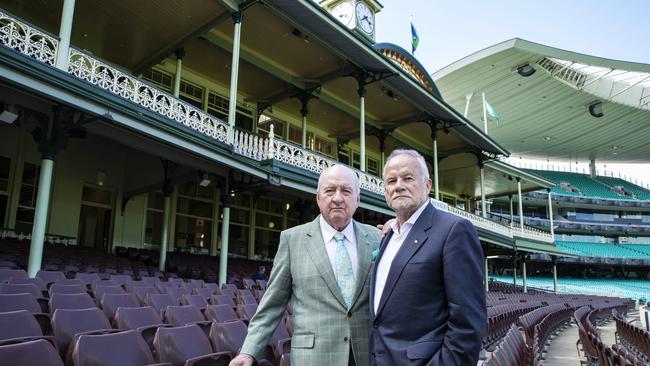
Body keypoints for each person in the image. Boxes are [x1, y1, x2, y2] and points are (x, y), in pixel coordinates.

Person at [230, 164, 381, 366]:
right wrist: (249, 352)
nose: (337, 198)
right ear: (318, 198)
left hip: (367, 356)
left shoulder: (376, 238)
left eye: (346, 191)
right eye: (329, 190)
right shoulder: (292, 240)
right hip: (314, 358)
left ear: (357, 199)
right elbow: (272, 305)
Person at [369, 149, 486, 366]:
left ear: (428, 185)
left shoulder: (454, 230)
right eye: (391, 180)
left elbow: (467, 324)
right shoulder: (389, 235)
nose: (399, 186)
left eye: (408, 178)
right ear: (385, 189)